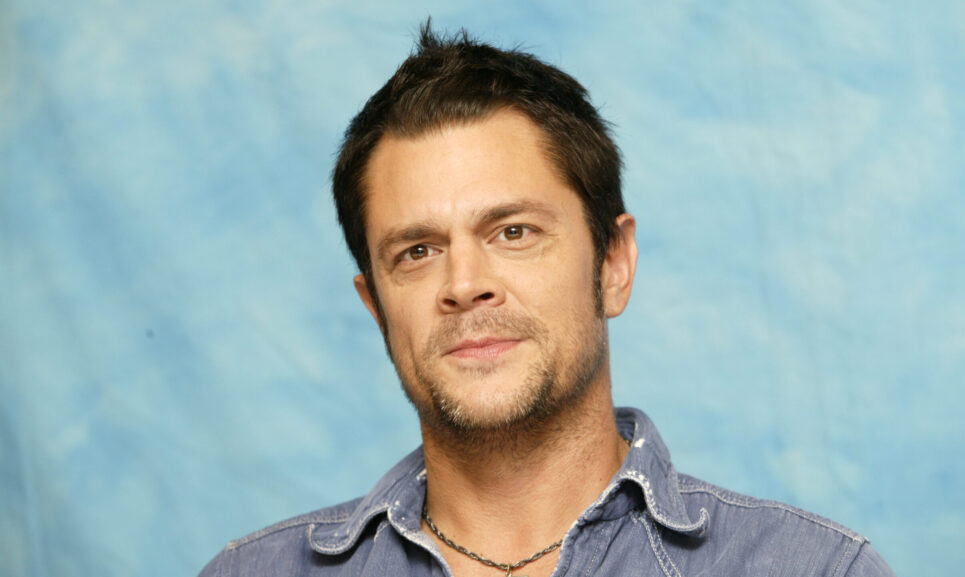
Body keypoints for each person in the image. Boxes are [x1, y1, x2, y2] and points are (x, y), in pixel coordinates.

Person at [199, 23, 895, 577]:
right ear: (377, 308)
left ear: (613, 264)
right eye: (417, 251)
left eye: (514, 232)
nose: (464, 283)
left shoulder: (817, 569)